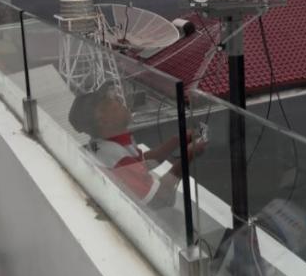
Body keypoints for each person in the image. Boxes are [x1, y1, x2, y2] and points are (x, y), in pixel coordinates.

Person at [68, 83, 205, 208]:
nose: (119, 100)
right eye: (109, 101)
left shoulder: (104, 143)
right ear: (103, 120)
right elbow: (158, 198)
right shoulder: (115, 157)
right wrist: (188, 156)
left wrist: (177, 140)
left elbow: (140, 164)